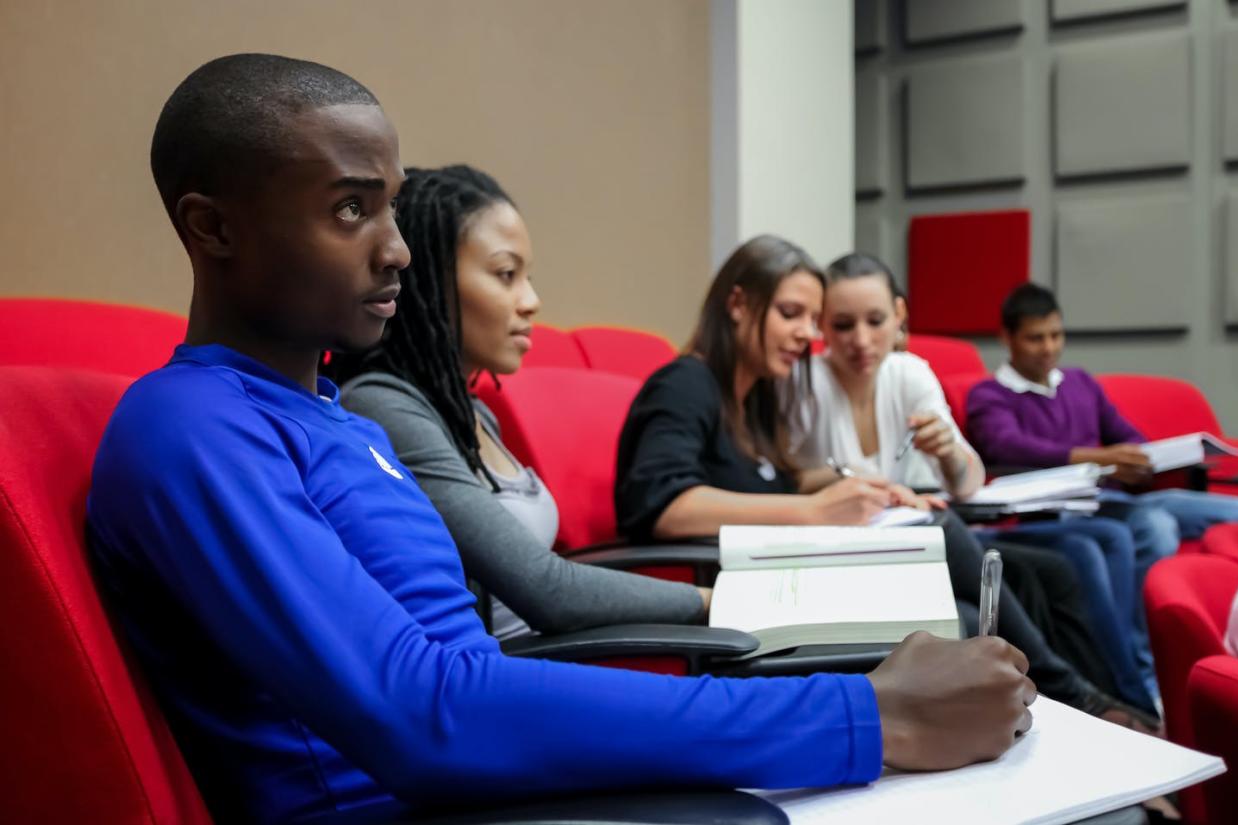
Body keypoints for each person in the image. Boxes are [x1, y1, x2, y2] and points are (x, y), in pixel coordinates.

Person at [85, 54, 1033, 824]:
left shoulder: (331, 414)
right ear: (212, 230)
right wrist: (862, 714)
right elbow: (420, 711)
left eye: (389, 205)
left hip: (480, 773)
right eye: (348, 209)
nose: (396, 248)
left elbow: (466, 676)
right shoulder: (193, 424)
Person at [613, 237, 1132, 721]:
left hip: (775, 574)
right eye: (792, 314)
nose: (806, 334)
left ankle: (1062, 705)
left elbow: (773, 489)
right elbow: (662, 505)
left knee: (971, 604)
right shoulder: (687, 382)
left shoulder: (747, 402)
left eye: (812, 319)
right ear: (738, 305)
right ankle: (1067, 695)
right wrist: (815, 511)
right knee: (948, 545)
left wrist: (861, 488)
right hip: (751, 594)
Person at [331, 164, 706, 640]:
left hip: (549, 662)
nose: (531, 301)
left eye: (527, 277)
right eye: (506, 275)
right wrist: (719, 602)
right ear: (428, 278)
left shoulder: (473, 411)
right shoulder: (384, 409)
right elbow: (550, 592)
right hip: (496, 682)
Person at [787, 252, 1156, 717]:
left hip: (911, 539)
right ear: (822, 324)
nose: (861, 340)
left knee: (1053, 572)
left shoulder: (909, 372)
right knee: (952, 538)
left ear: (899, 316)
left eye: (875, 321)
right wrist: (869, 486)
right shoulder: (805, 383)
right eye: (842, 326)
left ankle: (1097, 697)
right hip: (852, 542)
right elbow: (789, 476)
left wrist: (947, 452)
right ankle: (1072, 692)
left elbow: (968, 481)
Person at [967, 283, 1238, 694]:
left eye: (1056, 335)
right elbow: (1007, 445)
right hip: (1064, 505)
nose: (1048, 348)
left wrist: (1149, 458)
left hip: (1119, 493)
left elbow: (1126, 435)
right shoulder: (988, 394)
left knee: (1230, 512)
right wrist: (1096, 458)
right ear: (1007, 338)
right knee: (1156, 525)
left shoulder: (1079, 383)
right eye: (1035, 337)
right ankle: (1146, 663)